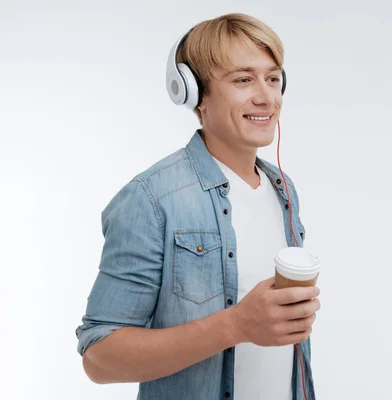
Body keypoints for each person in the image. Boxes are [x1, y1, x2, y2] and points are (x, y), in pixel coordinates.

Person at [75, 13, 320, 400]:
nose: (266, 97)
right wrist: (236, 325)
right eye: (243, 79)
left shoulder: (282, 188)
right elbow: (99, 356)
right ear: (194, 93)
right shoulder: (152, 198)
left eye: (273, 78)